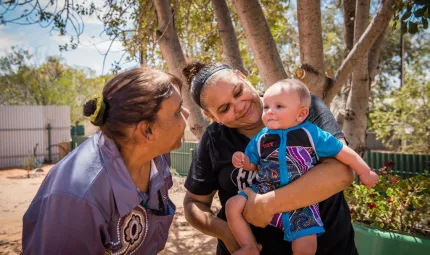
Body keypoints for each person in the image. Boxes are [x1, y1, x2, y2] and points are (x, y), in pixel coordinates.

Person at [182, 62, 359, 255]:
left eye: (238, 92)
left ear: (242, 76)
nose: (240, 106)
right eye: (225, 108)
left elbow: (342, 172)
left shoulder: (300, 107)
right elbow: (194, 203)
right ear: (212, 116)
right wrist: (228, 234)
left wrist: (268, 204)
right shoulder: (214, 139)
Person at [21, 67, 190, 255]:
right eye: (177, 112)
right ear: (147, 131)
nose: (187, 114)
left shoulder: (157, 156)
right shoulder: (78, 197)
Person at [227, 79, 379, 255]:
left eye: (279, 107)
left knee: (306, 246)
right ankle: (249, 246)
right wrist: (242, 161)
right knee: (233, 205)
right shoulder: (262, 137)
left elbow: (343, 152)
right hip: (262, 191)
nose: (269, 112)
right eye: (266, 107)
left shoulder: (311, 133)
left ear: (301, 114)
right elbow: (253, 165)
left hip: (301, 204)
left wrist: (364, 171)